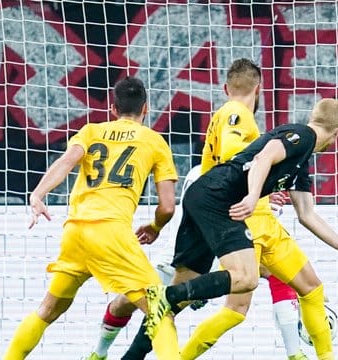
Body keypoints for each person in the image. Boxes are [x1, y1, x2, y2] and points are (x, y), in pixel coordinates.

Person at [84, 59, 310, 360]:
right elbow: (235, 156)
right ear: (259, 89)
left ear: (226, 87)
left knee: (175, 297)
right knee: (157, 296)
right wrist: (256, 184)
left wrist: (261, 189)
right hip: (215, 212)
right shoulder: (237, 113)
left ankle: (121, 355)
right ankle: (101, 352)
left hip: (210, 211)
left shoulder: (222, 122)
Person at [145, 97, 338, 360]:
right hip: (247, 223)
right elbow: (263, 157)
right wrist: (252, 196)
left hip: (264, 226)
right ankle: (178, 342)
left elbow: (307, 214)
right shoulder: (303, 136)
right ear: (337, 132)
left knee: (311, 288)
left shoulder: (301, 159)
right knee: (237, 306)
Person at [3, 76, 182, 360]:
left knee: (47, 310)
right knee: (162, 314)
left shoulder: (91, 131)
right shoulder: (155, 141)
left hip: (75, 233)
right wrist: (156, 226)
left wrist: (38, 194)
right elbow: (168, 207)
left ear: (113, 109)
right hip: (112, 234)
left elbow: (66, 161)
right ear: (145, 109)